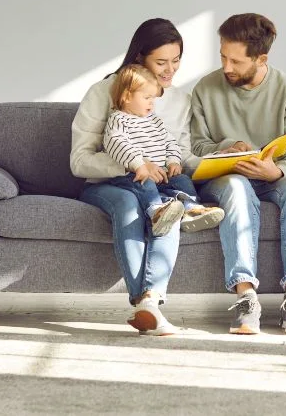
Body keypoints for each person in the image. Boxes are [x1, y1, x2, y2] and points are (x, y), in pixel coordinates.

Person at [70, 18, 219, 336]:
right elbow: (79, 160)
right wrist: (133, 166)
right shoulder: (105, 92)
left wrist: (221, 158)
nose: (170, 70)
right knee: (127, 204)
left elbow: (179, 149)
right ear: (139, 58)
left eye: (176, 60)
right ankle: (146, 301)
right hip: (109, 184)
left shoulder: (179, 100)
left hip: (159, 185)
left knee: (171, 208)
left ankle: (149, 303)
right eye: (161, 62)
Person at [190, 13, 286, 335]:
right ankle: (245, 296)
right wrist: (227, 147)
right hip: (225, 178)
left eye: (235, 61)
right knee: (236, 186)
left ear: (261, 58)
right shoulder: (206, 88)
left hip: (270, 177)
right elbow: (194, 144)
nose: (227, 67)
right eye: (222, 56)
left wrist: (276, 171)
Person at [100, 64, 224, 237]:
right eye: (147, 97)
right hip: (134, 175)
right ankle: (156, 213)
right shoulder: (119, 119)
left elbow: (170, 142)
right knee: (145, 185)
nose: (152, 103)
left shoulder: (154, 121)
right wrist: (139, 164)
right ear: (127, 97)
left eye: (153, 98)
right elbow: (117, 143)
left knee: (181, 180)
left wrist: (173, 160)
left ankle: (192, 209)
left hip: (162, 174)